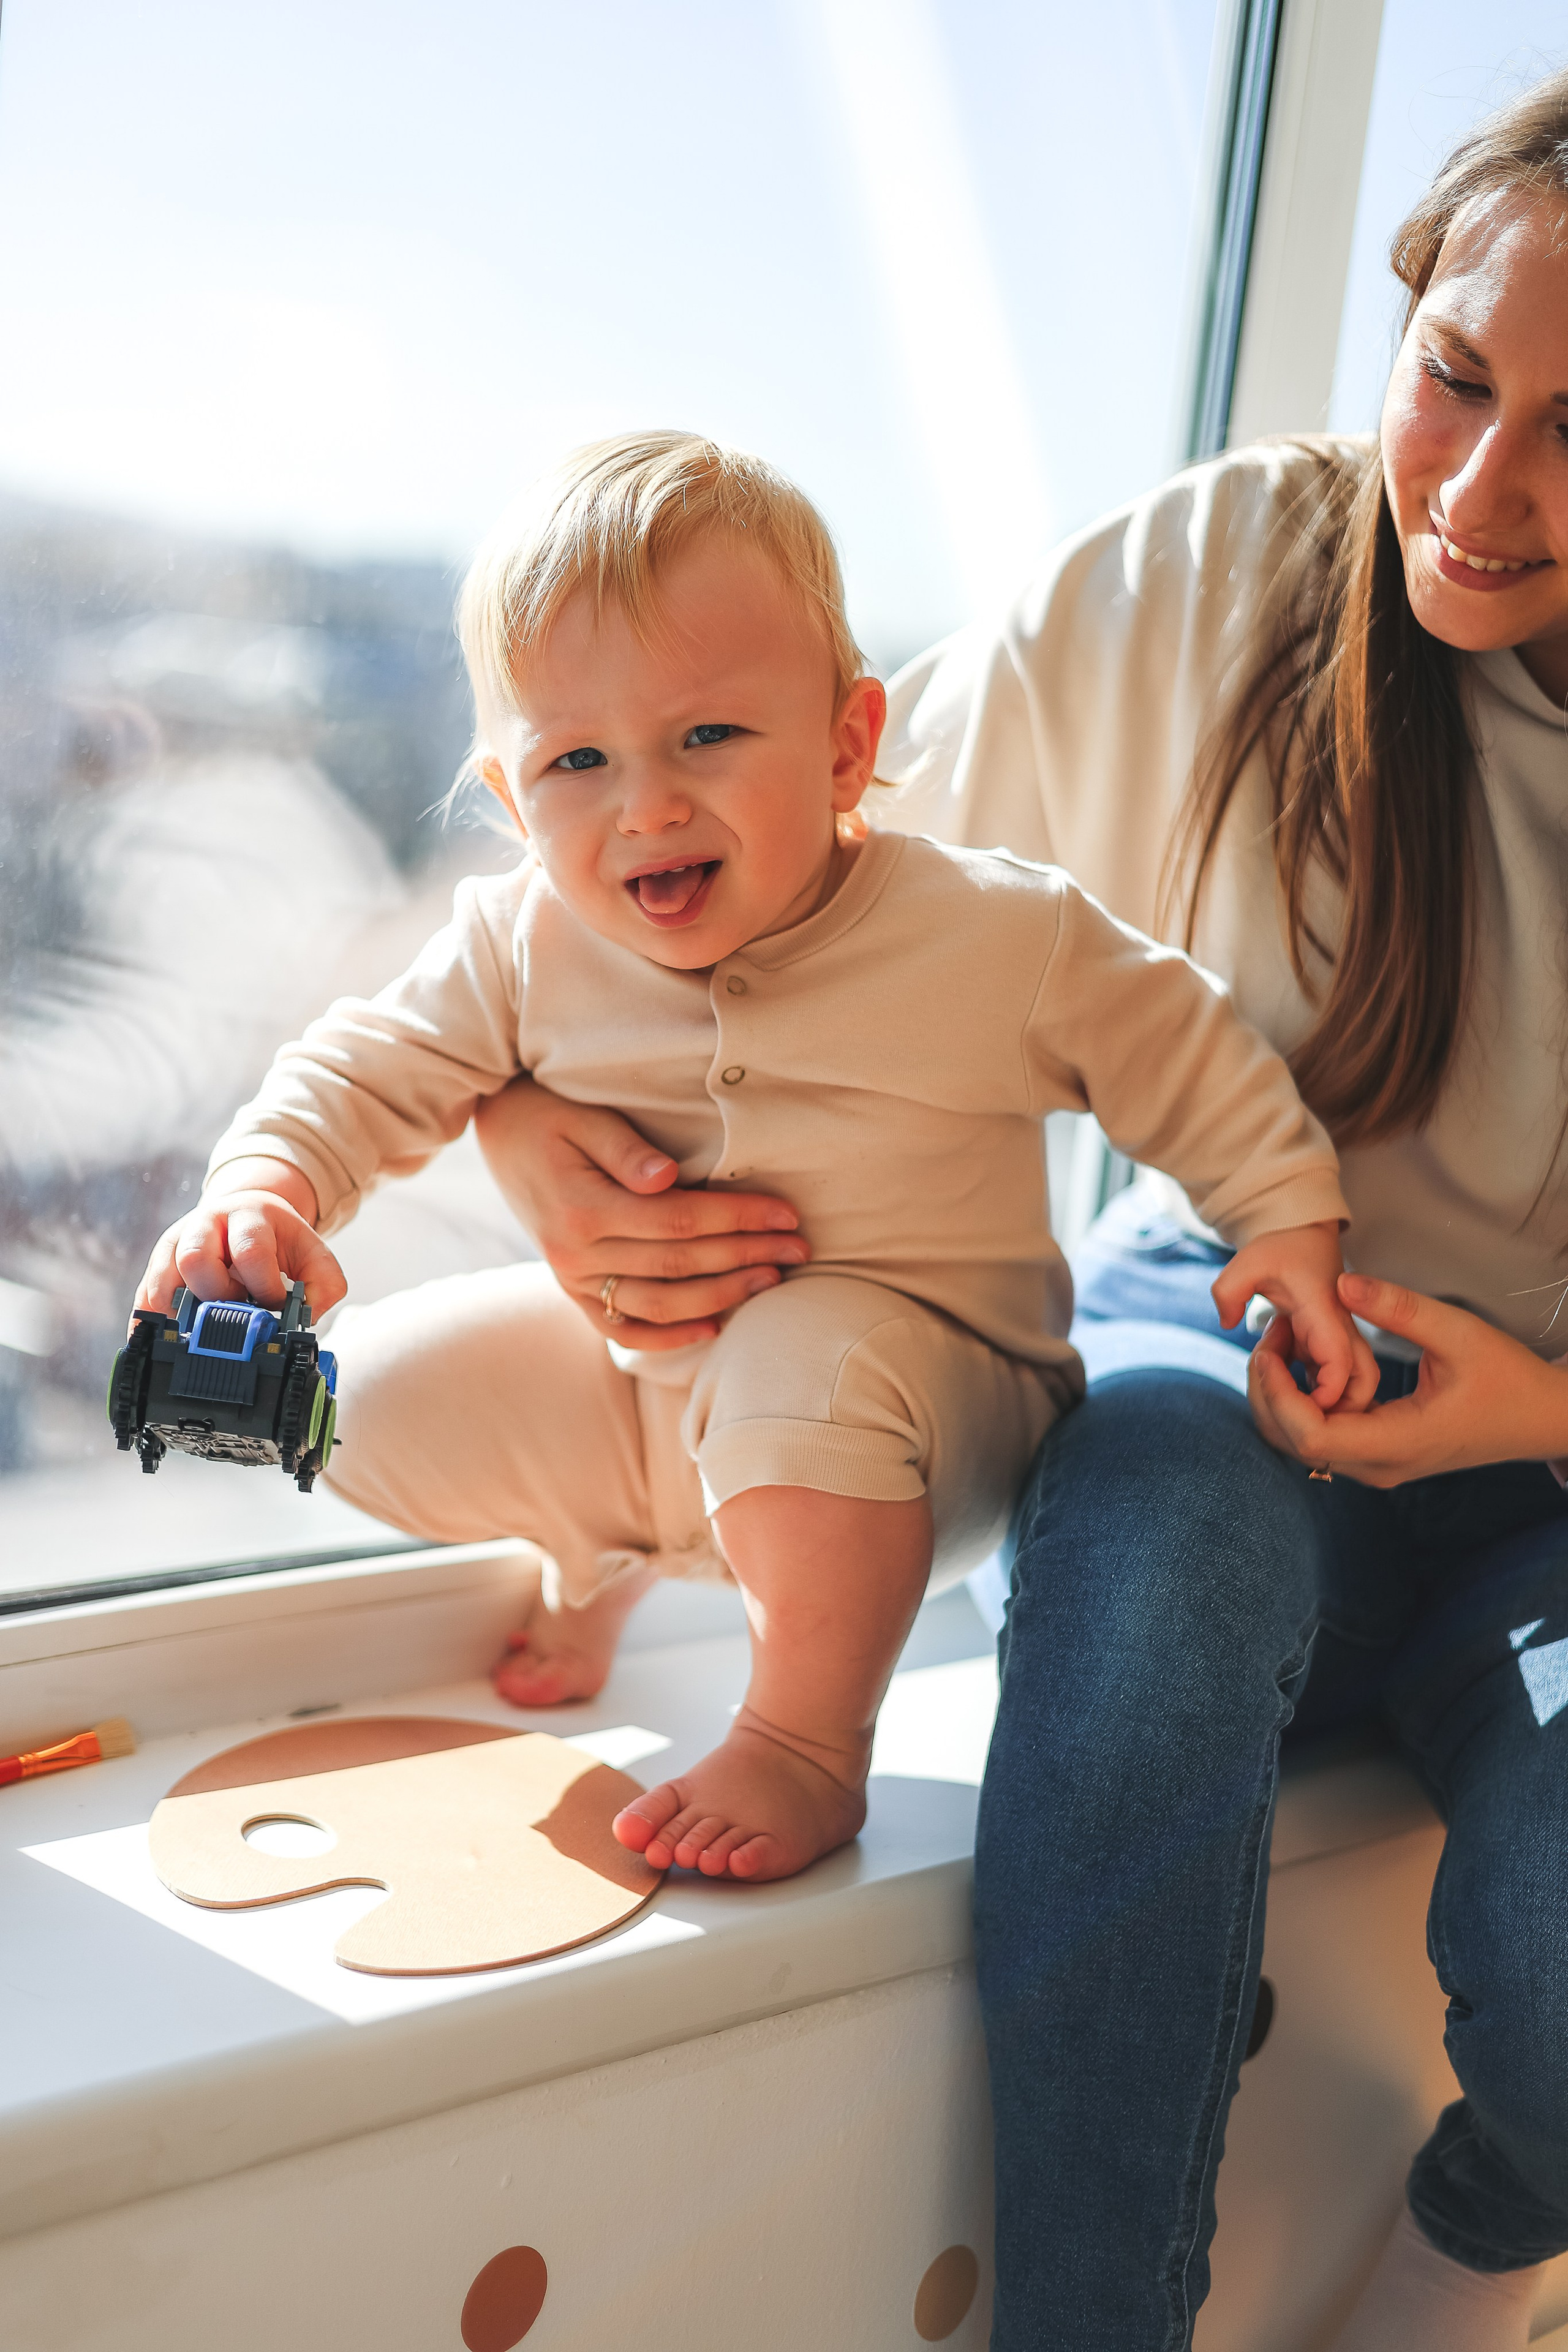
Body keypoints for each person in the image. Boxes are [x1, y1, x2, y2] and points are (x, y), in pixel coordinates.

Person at [456, 73, 1568, 2352]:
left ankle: (1450, 2279)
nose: (1475, 484)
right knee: (1143, 1643)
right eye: (1456, 376)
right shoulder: (1235, 574)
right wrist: (516, 1131)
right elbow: (726, 856)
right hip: (1226, 1341)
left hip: (1548, 1461)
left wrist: (1536, 1403)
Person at [134, 430, 1366, 1887]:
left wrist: (1281, 1218)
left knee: (804, 1359)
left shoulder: (993, 934)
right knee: (369, 1395)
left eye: (706, 738)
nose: (644, 805)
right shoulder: (515, 937)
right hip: (659, 1397)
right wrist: (265, 1191)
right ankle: (610, 1551)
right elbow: (361, 1066)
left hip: (925, 1422)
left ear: (848, 745)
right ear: (510, 797)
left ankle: (802, 1738)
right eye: (575, 761)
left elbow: (1182, 1044)